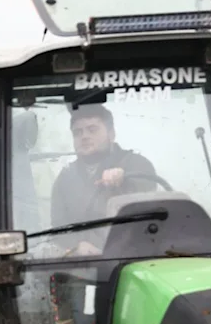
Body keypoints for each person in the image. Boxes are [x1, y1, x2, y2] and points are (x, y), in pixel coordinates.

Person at [49, 104, 159, 256]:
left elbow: (146, 194)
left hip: (134, 257)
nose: (84, 136)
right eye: (77, 132)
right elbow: (58, 227)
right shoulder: (65, 178)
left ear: (111, 134)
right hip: (84, 263)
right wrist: (76, 246)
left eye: (92, 129)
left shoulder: (136, 164)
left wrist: (124, 178)